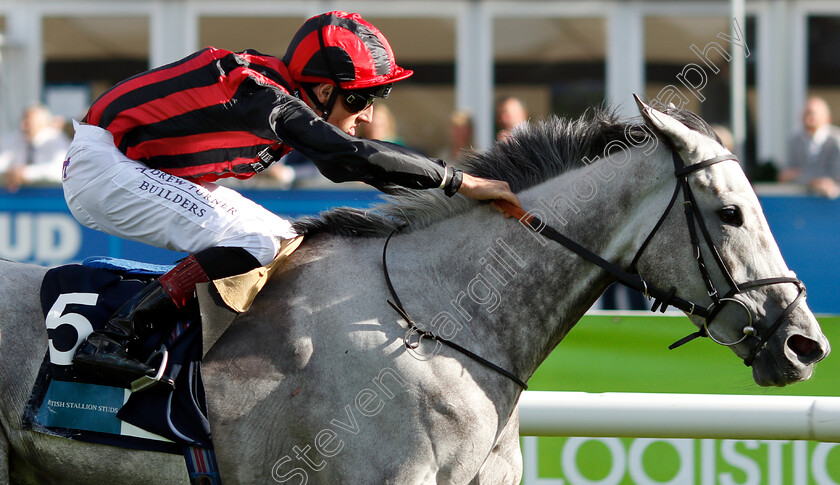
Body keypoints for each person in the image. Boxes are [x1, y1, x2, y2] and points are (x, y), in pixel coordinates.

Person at [62, 10, 520, 386]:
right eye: (364, 99)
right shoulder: (259, 92)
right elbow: (350, 155)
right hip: (101, 165)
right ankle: (112, 339)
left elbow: (349, 164)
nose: (369, 115)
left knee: (279, 238)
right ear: (325, 91)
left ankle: (187, 351)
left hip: (128, 165)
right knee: (256, 241)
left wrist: (453, 196)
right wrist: (459, 182)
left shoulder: (286, 98)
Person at [778, 96, 840, 199]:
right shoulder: (794, 141)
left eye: (813, 113)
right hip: (801, 203)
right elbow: (786, 175)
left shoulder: (836, 140)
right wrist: (816, 181)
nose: (809, 117)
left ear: (827, 118)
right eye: (806, 113)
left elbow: (835, 175)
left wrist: (801, 175)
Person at [0, 103, 70, 192]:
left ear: (42, 124)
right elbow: (2, 162)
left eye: (28, 122)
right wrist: (10, 174)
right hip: (15, 198)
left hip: (48, 197)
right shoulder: (13, 138)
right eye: (23, 120)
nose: (23, 126)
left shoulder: (55, 139)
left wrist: (26, 173)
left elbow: (61, 171)